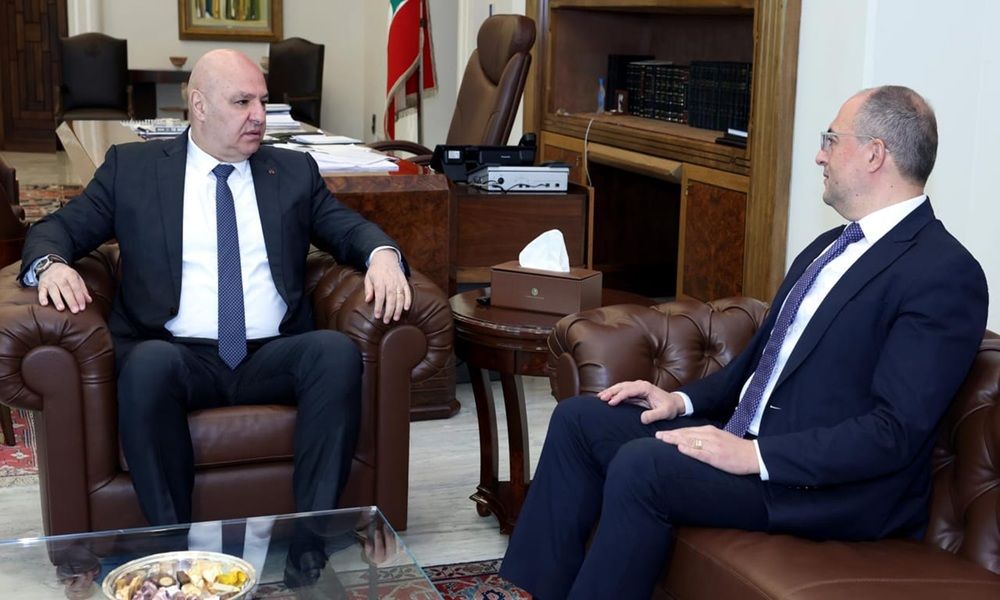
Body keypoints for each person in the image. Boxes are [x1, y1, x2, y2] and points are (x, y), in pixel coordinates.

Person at [499, 85, 989, 599]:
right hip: (751, 440)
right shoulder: (830, 246)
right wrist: (680, 401)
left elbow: (892, 432)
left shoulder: (943, 273)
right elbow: (762, 364)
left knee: (644, 468)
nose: (820, 155)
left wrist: (756, 456)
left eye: (830, 139)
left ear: (874, 154)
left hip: (822, 486)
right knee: (581, 420)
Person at [18, 49, 412, 527]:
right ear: (199, 106)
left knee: (335, 353)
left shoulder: (291, 171)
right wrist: (52, 266)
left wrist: (382, 255)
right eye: (242, 102)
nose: (259, 115)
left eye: (263, 101)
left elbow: (347, 229)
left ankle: (310, 539)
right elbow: (56, 230)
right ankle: (172, 543)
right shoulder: (133, 169)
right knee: (147, 364)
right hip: (176, 354)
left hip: (271, 353)